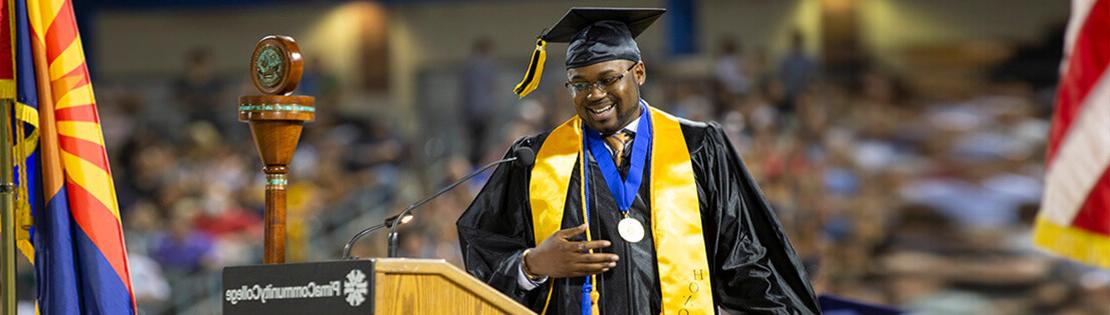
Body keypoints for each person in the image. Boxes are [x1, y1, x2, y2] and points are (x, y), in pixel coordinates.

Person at [457, 7, 819, 314]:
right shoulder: (537, 159)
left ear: (639, 73)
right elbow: (482, 247)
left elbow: (746, 256)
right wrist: (531, 265)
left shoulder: (699, 146)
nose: (594, 94)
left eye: (607, 79)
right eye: (579, 84)